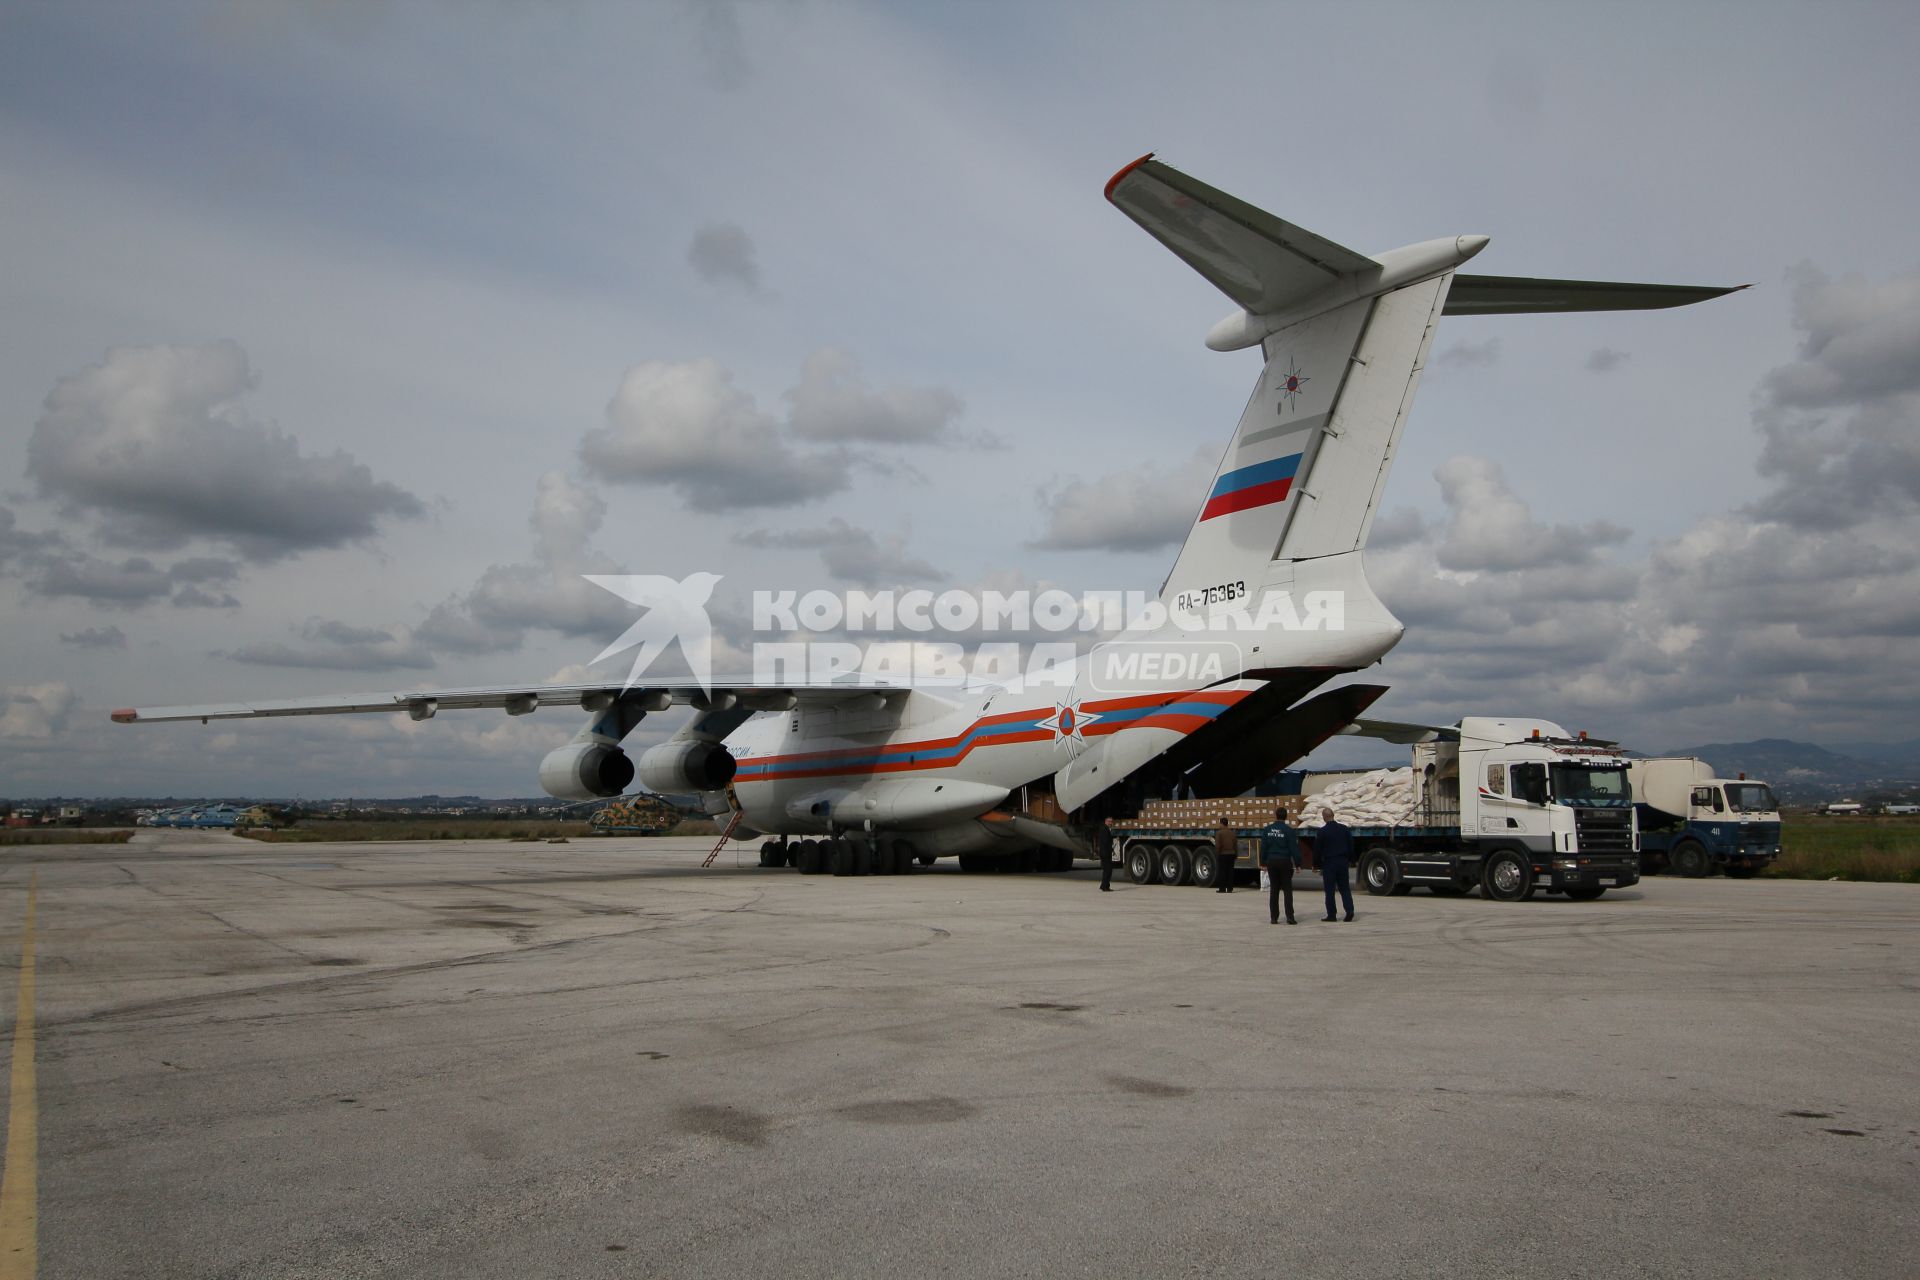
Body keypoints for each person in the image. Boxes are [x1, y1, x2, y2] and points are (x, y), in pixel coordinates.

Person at [1259, 806, 1300, 924]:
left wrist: (1263, 862)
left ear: (1275, 816)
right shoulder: (1289, 830)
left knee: (1274, 890)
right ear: (1286, 816)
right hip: (1285, 861)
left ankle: (1274, 917)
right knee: (1287, 890)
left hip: (1272, 862)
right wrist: (1297, 863)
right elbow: (1294, 848)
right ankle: (1290, 917)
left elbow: (1264, 847)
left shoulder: (1267, 830)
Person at [1314, 806, 1355, 922]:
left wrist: (1316, 864)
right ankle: (1349, 910)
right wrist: (1352, 860)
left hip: (1329, 863)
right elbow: (1351, 846)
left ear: (1324, 818)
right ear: (1333, 815)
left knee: (1329, 890)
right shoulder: (1344, 829)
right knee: (1345, 888)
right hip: (1342, 862)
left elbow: (1318, 850)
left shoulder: (1322, 832)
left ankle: (1332, 915)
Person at [1214, 816, 1239, 892]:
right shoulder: (1233, 833)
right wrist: (1236, 854)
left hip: (1223, 854)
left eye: (1220, 824)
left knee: (1222, 872)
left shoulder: (1219, 833)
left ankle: (1222, 889)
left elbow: (1218, 845)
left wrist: (1217, 854)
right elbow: (1235, 844)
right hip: (1232, 854)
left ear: (1222, 824)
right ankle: (1230, 888)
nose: (1219, 825)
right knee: (1230, 872)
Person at [1098, 821, 1116, 892]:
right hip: (1105, 853)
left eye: (1111, 821)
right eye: (1109, 821)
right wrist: (1111, 850)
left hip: (1105, 853)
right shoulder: (1104, 830)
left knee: (1107, 870)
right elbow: (1106, 842)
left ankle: (1104, 886)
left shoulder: (1106, 829)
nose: (1110, 823)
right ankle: (1105, 887)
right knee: (1108, 870)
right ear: (1105, 821)